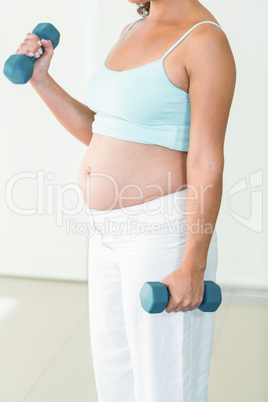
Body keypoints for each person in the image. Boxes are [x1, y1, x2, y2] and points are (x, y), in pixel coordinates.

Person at [15, 0, 236, 400]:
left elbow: (205, 160)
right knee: (115, 380)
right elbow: (101, 131)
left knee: (164, 387)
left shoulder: (204, 40)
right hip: (106, 235)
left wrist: (193, 263)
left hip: (163, 233)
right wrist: (41, 80)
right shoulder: (133, 29)